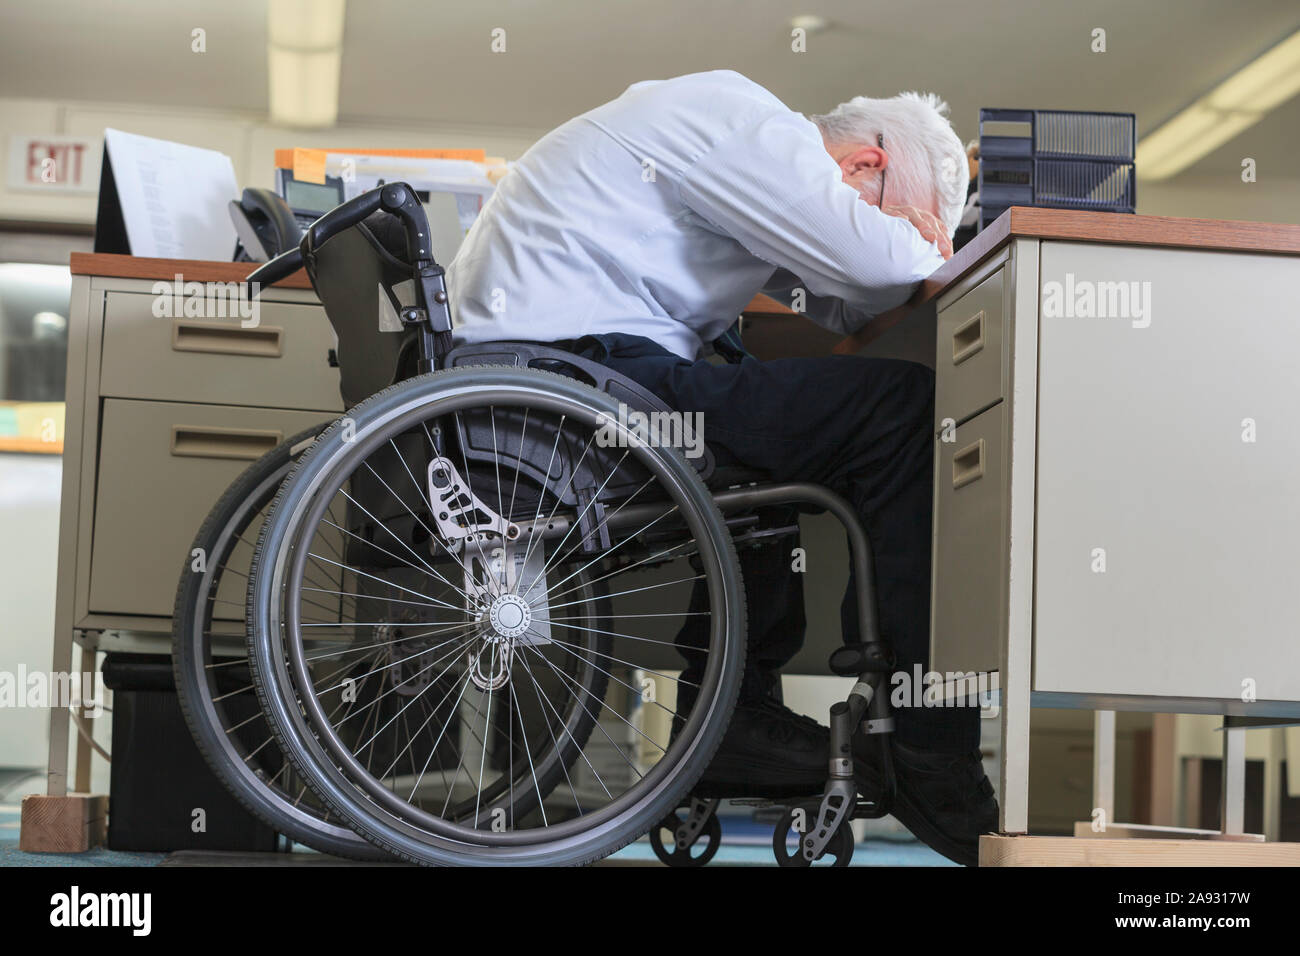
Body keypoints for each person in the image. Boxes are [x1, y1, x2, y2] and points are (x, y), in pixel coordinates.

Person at [447, 70, 995, 864]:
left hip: (550, 374)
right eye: (902, 219)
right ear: (863, 167)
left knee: (757, 416)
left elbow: (846, 301)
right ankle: (926, 744)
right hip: (569, 385)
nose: (914, 245)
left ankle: (734, 714)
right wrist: (933, 248)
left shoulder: (728, 148)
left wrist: (907, 239)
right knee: (900, 410)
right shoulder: (747, 121)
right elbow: (877, 270)